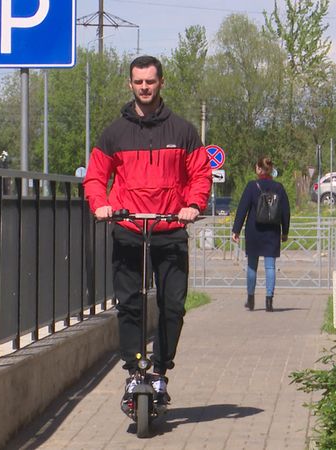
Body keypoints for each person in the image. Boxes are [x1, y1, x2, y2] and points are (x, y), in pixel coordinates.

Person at [83, 55, 211, 406]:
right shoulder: (114, 133)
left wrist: (194, 205)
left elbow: (200, 174)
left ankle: (160, 370)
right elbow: (96, 176)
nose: (144, 87)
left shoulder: (183, 131)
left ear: (161, 83)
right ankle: (133, 371)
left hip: (170, 228)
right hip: (129, 226)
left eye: (150, 81)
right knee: (130, 304)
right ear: (130, 84)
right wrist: (100, 204)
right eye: (138, 82)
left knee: (173, 306)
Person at [231, 156, 291, 312]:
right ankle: (269, 301)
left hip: (254, 230)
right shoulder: (279, 187)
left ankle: (250, 299)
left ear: (258, 169)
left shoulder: (252, 186)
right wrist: (285, 231)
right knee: (270, 267)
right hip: (272, 231)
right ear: (271, 169)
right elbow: (286, 211)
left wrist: (236, 230)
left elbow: (242, 209)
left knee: (252, 266)